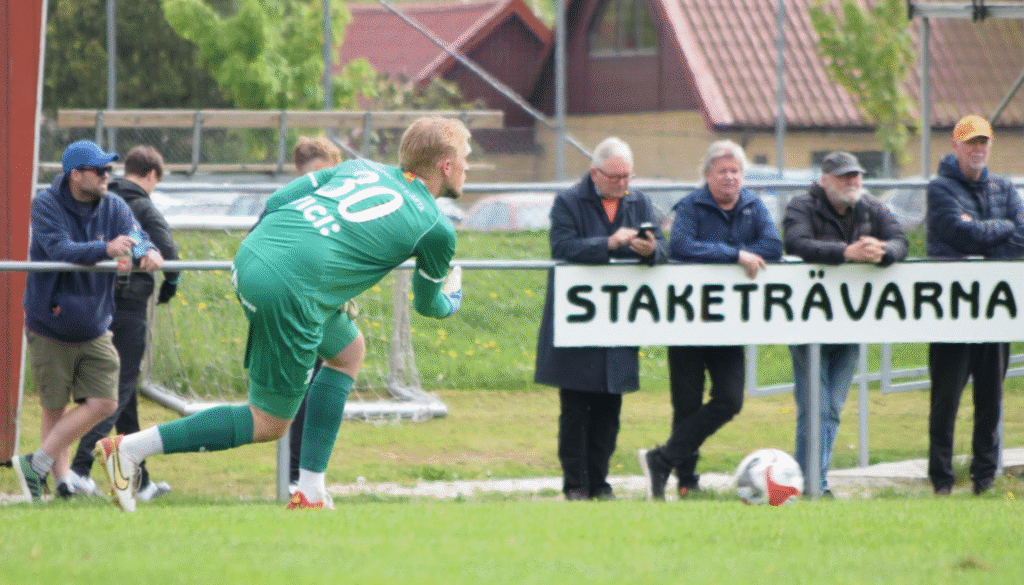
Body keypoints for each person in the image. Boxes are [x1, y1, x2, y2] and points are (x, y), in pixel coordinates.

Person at [93, 117, 468, 512]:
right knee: (269, 422)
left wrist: (292, 255)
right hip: (290, 288)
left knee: (348, 351)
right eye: (464, 159)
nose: (466, 169)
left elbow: (276, 202)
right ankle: (130, 449)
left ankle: (311, 489)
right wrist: (453, 295)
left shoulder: (362, 167)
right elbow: (428, 306)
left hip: (255, 252)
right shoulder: (436, 227)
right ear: (445, 165)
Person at [11, 140, 164, 501]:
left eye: (108, 169)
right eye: (99, 170)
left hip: (95, 325)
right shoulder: (45, 205)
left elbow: (136, 234)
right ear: (76, 175)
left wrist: (149, 251)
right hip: (50, 324)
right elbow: (60, 249)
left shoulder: (113, 204)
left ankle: (37, 463)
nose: (107, 176)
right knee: (54, 406)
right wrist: (105, 248)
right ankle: (62, 483)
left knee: (106, 402)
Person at [638, 139, 782, 500]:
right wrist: (736, 255)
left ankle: (662, 459)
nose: (730, 178)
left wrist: (741, 254)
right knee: (685, 404)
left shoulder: (754, 206)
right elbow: (681, 246)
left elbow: (773, 247)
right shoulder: (691, 206)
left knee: (730, 400)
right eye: (722, 171)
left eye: (735, 171)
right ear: (707, 176)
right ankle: (686, 482)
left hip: (729, 323)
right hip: (687, 321)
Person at [534, 137, 667, 501]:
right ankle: (575, 483)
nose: (623, 184)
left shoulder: (639, 202)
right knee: (575, 408)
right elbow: (562, 247)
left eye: (627, 177)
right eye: (615, 177)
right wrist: (607, 244)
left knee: (610, 408)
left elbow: (666, 250)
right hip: (578, 322)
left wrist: (651, 250)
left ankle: (601, 481)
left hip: (618, 323)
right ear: (595, 173)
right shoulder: (568, 202)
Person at [782, 151, 907, 496]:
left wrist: (883, 251)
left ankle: (812, 483)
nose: (852, 181)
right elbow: (796, 242)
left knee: (832, 409)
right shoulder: (801, 204)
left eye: (856, 175)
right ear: (824, 180)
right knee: (815, 407)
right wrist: (844, 252)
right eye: (843, 176)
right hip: (808, 324)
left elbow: (901, 240)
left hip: (851, 324)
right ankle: (812, 486)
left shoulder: (871, 207)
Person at [66, 145, 180, 501]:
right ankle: (79, 468)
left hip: (95, 303)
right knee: (117, 390)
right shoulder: (142, 206)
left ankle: (140, 481)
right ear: (151, 175)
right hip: (129, 306)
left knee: (123, 394)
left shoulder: (98, 201)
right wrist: (168, 289)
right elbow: (169, 255)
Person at [926, 114, 1024, 496]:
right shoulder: (940, 188)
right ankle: (942, 481)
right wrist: (1001, 230)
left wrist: (986, 234)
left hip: (995, 313)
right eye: (970, 143)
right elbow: (958, 233)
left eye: (983, 142)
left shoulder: (1004, 187)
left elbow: (1021, 236)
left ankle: (985, 478)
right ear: (956, 147)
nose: (978, 149)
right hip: (952, 312)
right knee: (945, 401)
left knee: (990, 401)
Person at [286, 135, 343, 490]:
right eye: (315, 172)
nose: (321, 180)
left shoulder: (338, 204)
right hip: (291, 309)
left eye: (328, 172)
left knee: (321, 392)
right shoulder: (287, 202)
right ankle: (294, 478)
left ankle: (306, 479)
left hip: (323, 310)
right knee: (291, 398)